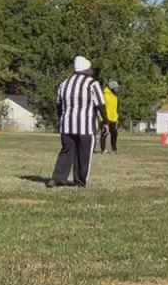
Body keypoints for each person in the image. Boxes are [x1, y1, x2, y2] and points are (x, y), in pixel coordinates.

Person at [50, 55, 104, 188]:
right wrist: (106, 122)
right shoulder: (92, 83)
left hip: (67, 125)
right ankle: (80, 180)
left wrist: (61, 120)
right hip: (85, 126)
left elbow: (58, 105)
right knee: (84, 154)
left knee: (66, 151)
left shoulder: (64, 84)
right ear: (86, 70)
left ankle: (57, 178)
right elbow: (101, 105)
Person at [97, 80, 121, 153]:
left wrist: (117, 117)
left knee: (114, 134)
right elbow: (101, 107)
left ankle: (114, 149)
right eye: (116, 88)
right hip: (106, 118)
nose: (117, 90)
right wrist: (102, 118)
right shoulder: (105, 95)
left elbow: (116, 108)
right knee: (104, 134)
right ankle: (103, 149)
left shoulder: (115, 97)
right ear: (111, 88)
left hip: (113, 118)